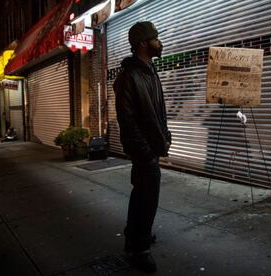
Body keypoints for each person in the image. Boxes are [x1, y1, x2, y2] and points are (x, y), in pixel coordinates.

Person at [113, 21, 171, 273]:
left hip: (151, 147)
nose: (160, 42)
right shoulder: (130, 76)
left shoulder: (149, 71)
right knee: (147, 199)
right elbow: (127, 119)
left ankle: (135, 238)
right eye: (156, 38)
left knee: (142, 195)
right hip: (143, 150)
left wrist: (164, 135)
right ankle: (140, 250)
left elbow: (157, 110)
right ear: (143, 43)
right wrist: (145, 151)